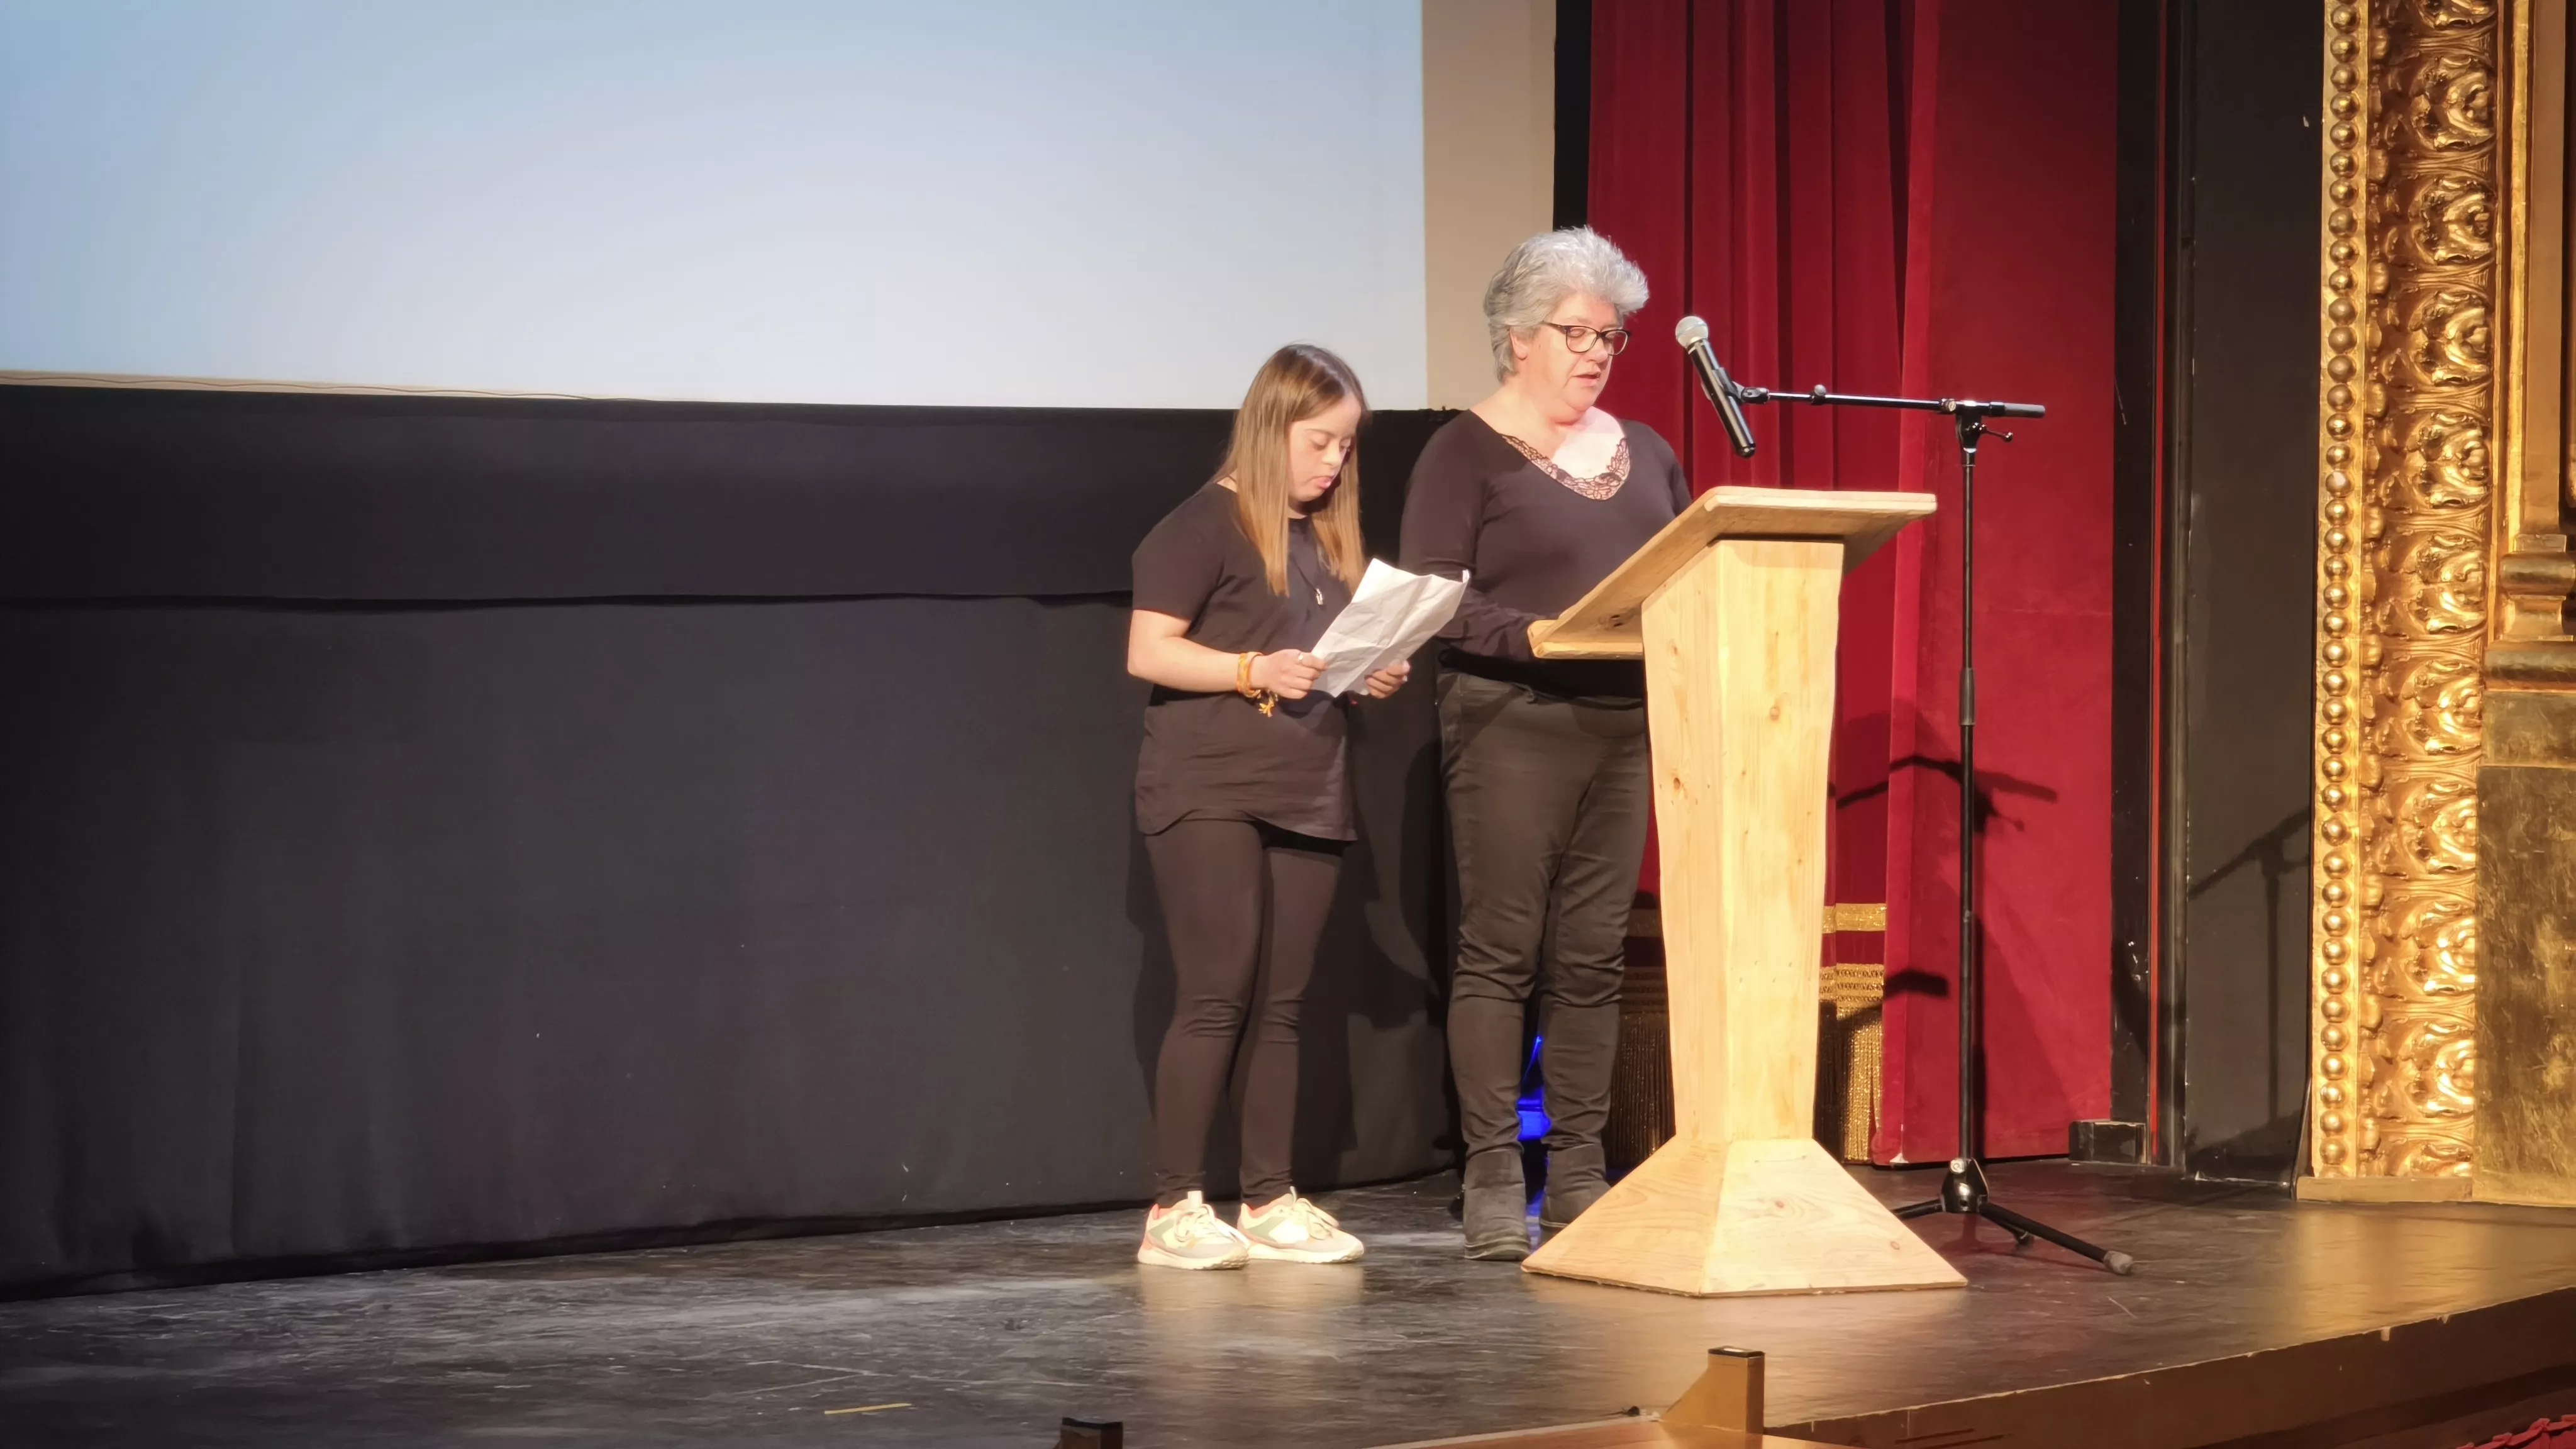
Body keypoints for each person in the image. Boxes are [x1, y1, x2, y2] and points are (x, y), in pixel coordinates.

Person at [1399, 228, 1690, 1260]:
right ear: (1518, 336)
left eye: (1611, 336)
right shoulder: (1463, 452)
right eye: (1576, 332)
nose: (1597, 352)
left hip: (1626, 723)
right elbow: (1433, 602)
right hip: (1511, 721)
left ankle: (1576, 1173)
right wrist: (1530, 634)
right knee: (1501, 952)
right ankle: (1489, 1172)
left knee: (1591, 958)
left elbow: (1690, 569)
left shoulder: (1646, 451)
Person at [1126, 343, 1411, 1270]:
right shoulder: (1202, 525)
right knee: (1216, 995)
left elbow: (1316, 659)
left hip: (1307, 785)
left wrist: (1369, 671)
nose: (1334, 462)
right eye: (1320, 441)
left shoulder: (1326, 545)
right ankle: (1173, 1209)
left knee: (1284, 1006)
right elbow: (1151, 652)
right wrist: (1252, 669)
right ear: (1271, 426)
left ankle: (1269, 1197)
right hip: (1210, 785)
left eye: (1345, 447)